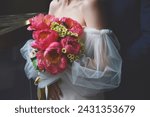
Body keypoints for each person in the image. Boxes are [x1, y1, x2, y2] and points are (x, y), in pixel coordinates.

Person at [20, 0, 122, 100]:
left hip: (81, 92)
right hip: (55, 93)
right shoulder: (54, 5)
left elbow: (104, 65)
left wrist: (63, 63)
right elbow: (42, 50)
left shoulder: (89, 4)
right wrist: (47, 80)